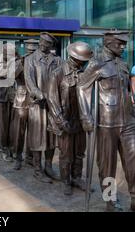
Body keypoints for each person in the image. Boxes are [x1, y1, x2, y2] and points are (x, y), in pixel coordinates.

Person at [78, 31, 135, 212]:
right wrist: (86, 116)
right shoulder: (97, 63)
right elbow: (82, 88)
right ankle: (110, 201)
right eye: (119, 44)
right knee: (107, 165)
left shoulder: (123, 64)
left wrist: (134, 116)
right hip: (106, 122)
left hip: (127, 121)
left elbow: (128, 91)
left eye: (124, 44)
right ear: (109, 43)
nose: (123, 47)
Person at [47, 41, 93, 195]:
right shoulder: (57, 73)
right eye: (83, 60)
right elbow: (52, 99)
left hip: (80, 120)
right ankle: (66, 180)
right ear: (74, 58)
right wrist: (61, 121)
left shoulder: (84, 73)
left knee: (79, 152)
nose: (84, 63)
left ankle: (77, 178)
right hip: (64, 121)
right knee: (66, 154)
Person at [24, 32, 62, 183]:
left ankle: (48, 166)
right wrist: (39, 94)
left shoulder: (57, 60)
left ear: (51, 46)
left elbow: (61, 79)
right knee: (37, 136)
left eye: (47, 44)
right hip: (37, 105)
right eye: (42, 42)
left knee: (52, 136)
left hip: (53, 104)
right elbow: (29, 81)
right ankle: (37, 169)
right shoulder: (30, 60)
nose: (43, 45)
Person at [9, 39, 38, 170]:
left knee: (33, 131)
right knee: (19, 131)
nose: (31, 50)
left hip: (35, 100)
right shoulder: (20, 61)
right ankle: (17, 157)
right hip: (21, 98)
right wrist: (20, 64)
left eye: (34, 49)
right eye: (29, 48)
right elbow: (11, 77)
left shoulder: (39, 62)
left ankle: (30, 157)